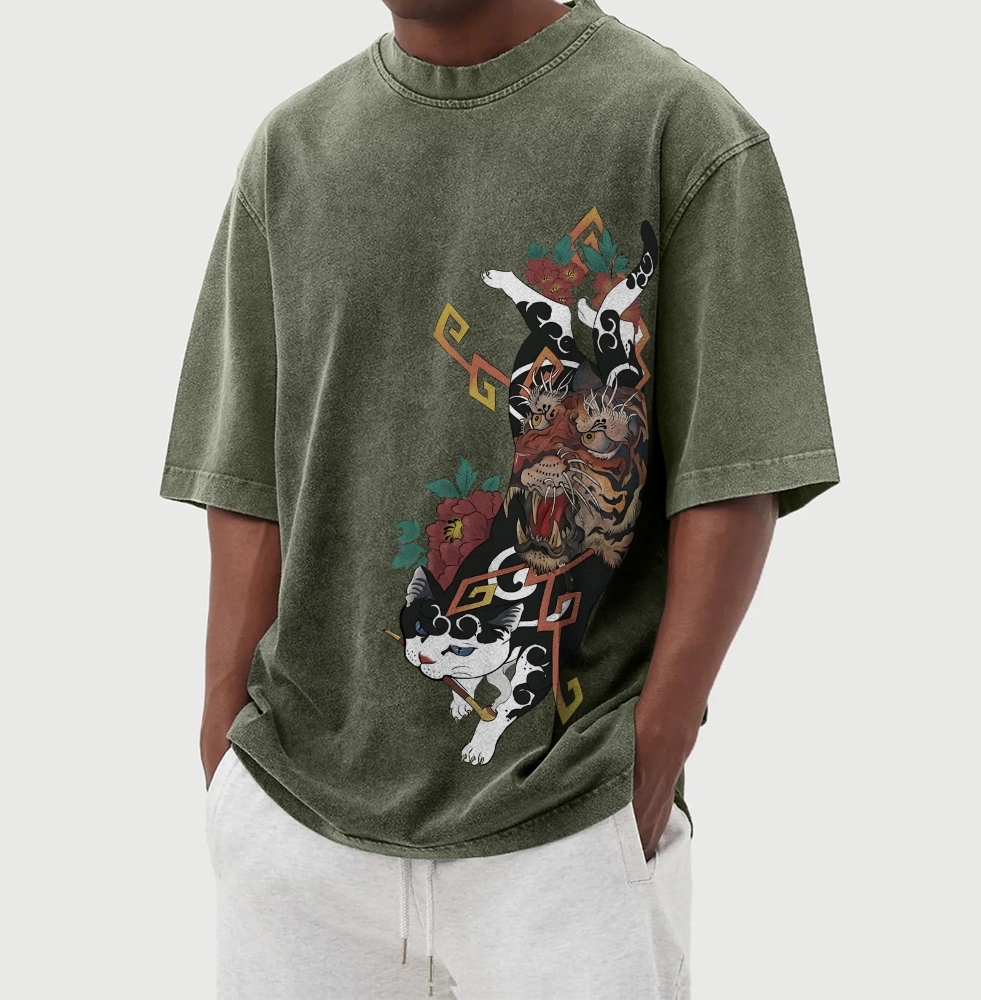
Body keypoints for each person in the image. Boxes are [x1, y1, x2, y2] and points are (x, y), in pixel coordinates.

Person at [160, 1, 839, 996]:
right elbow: (245, 472)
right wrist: (226, 749)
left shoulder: (675, 126)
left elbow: (735, 468)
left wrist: (655, 748)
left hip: (567, 828)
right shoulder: (292, 151)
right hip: (297, 829)